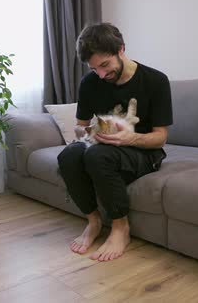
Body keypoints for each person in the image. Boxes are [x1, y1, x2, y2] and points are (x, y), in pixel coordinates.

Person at [57, 22, 173, 262]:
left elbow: (160, 136)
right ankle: (94, 221)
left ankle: (121, 228)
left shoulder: (156, 81)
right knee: (68, 155)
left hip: (144, 152)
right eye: (94, 68)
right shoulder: (90, 82)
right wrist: (95, 131)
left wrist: (130, 137)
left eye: (105, 65)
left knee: (96, 156)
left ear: (121, 49)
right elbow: (80, 126)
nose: (100, 74)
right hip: (103, 146)